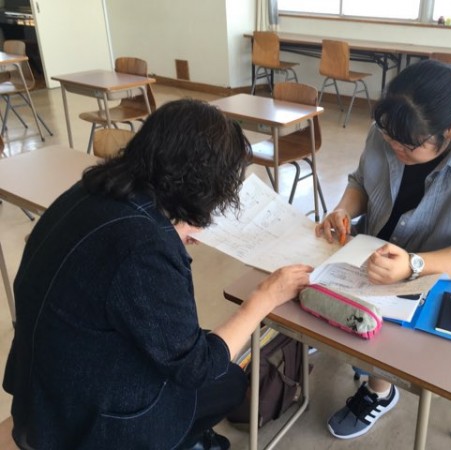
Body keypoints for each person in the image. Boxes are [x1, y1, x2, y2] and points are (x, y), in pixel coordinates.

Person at [3, 99, 312, 450]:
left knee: (203, 345)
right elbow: (196, 367)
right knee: (228, 380)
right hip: (83, 422)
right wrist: (264, 297)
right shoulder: (146, 246)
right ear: (200, 187)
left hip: (42, 392)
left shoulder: (91, 189)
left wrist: (172, 225)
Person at [315, 60, 451, 440]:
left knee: (389, 318)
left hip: (441, 268)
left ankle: (380, 391)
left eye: (408, 146)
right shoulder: (391, 126)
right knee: (311, 286)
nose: (395, 149)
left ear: (450, 131)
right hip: (375, 248)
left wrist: (413, 265)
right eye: (388, 138)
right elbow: (361, 181)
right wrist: (344, 209)